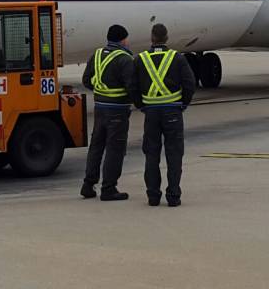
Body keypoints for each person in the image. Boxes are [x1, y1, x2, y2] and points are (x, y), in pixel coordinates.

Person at [130, 23, 196, 207]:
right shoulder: (177, 58)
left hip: (151, 113)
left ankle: (153, 196)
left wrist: (141, 105)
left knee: (151, 154)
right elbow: (189, 83)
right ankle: (173, 196)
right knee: (174, 154)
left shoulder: (140, 59)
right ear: (167, 38)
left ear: (151, 38)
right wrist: (183, 103)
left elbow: (133, 86)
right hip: (172, 111)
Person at [80, 24, 135, 201]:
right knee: (115, 149)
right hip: (117, 111)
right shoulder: (125, 59)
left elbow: (86, 80)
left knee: (96, 146)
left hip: (100, 108)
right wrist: (140, 103)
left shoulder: (96, 55)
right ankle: (109, 188)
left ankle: (88, 185)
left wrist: (101, 91)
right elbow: (132, 87)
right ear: (123, 39)